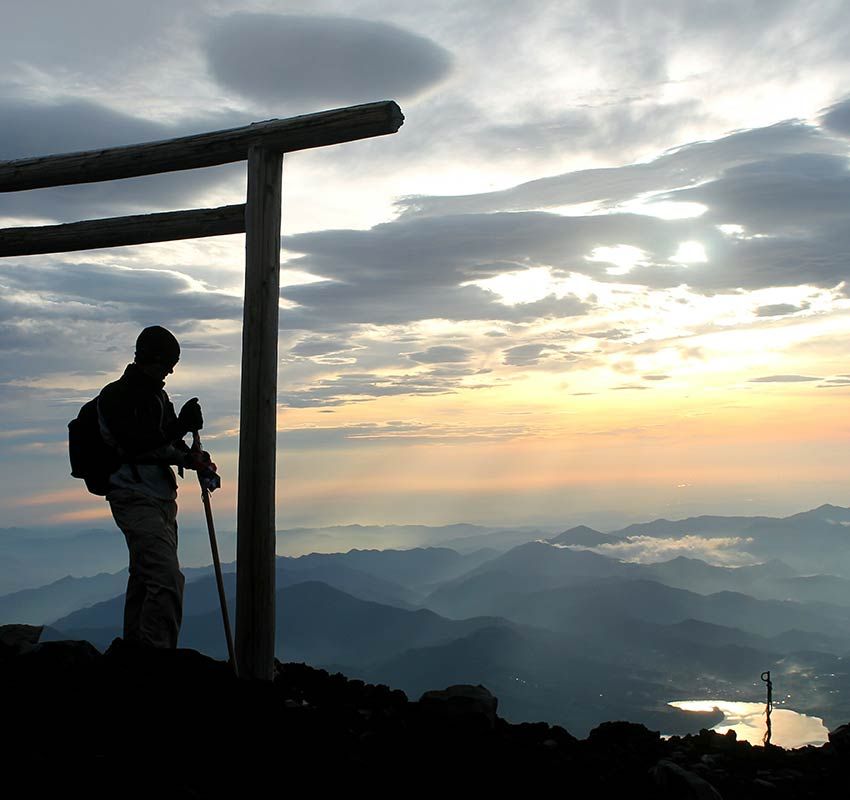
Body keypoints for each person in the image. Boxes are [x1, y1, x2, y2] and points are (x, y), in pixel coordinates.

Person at [98, 325, 215, 649]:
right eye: (167, 364)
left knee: (144, 577)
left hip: (161, 498)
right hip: (132, 496)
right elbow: (133, 443)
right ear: (149, 358)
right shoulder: (116, 396)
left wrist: (194, 458)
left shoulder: (158, 398)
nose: (170, 371)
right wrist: (181, 426)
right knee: (165, 579)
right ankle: (155, 664)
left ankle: (135, 653)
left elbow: (166, 445)